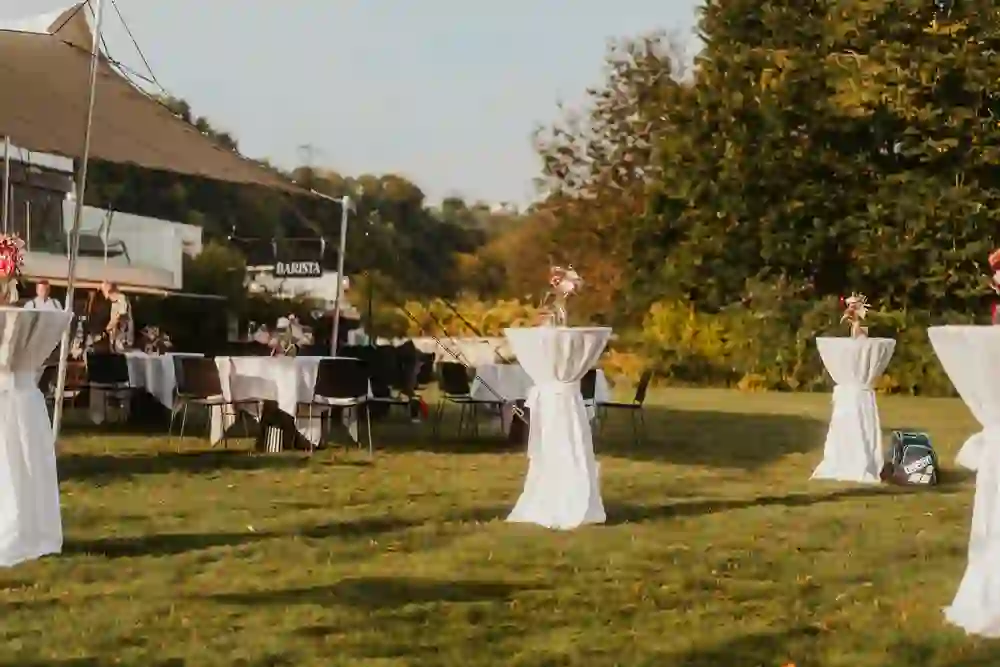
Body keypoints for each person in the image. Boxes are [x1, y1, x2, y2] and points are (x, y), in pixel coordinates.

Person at [101, 281, 133, 353]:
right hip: (120, 315)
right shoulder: (121, 301)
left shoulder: (114, 338)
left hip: (117, 316)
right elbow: (120, 318)